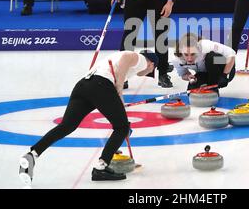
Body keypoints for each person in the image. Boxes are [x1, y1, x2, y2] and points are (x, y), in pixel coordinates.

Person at [18, 50, 158, 185]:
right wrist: (119, 87)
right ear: (151, 64)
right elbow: (127, 57)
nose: (147, 73)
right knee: (122, 127)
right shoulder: (142, 60)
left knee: (67, 126)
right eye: (151, 70)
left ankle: (32, 154)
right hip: (101, 85)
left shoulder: (120, 62)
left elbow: (121, 66)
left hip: (83, 85)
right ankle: (101, 168)